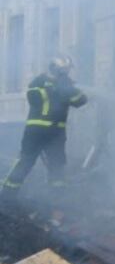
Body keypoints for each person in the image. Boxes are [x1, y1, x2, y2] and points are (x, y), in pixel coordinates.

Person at [1, 55, 88, 197]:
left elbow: (80, 101)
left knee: (57, 166)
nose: (67, 73)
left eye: (67, 70)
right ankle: (6, 196)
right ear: (56, 69)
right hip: (36, 132)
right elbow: (33, 97)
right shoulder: (39, 81)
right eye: (64, 70)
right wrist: (56, 89)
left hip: (55, 134)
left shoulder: (66, 85)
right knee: (26, 162)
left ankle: (57, 199)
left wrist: (67, 88)